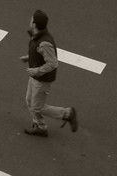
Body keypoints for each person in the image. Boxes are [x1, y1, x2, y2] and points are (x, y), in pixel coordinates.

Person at [21, 9, 77, 137]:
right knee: (30, 101)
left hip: (42, 79)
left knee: (37, 107)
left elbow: (52, 63)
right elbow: (38, 53)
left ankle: (67, 114)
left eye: (31, 19)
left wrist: (36, 70)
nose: (29, 20)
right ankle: (40, 126)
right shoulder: (37, 35)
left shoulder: (44, 43)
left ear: (34, 24)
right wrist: (29, 58)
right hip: (35, 76)